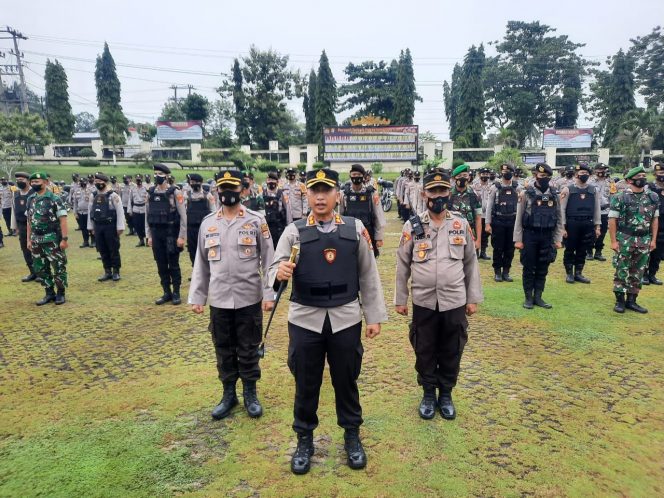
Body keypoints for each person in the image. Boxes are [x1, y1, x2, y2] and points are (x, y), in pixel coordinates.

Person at [268, 168, 387, 475]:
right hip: (305, 319)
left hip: (345, 318)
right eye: (314, 191)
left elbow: (368, 275)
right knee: (306, 382)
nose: (320, 197)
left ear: (337, 195)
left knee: (346, 380)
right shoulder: (293, 231)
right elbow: (273, 266)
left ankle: (351, 435)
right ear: (306, 195)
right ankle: (304, 439)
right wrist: (277, 273)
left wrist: (373, 316)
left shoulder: (354, 228)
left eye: (326, 190)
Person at [395, 171, 482, 421]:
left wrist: (472, 297)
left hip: (454, 300)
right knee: (424, 349)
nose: (438, 196)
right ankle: (428, 393)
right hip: (423, 301)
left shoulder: (460, 224)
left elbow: (470, 264)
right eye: (432, 191)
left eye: (442, 191)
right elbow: (402, 265)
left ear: (449, 193)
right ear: (424, 194)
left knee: (452, 349)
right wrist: (401, 299)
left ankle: (445, 393)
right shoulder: (412, 226)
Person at [189, 169, 275, 420]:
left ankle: (250, 393)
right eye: (223, 188)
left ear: (243, 190)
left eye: (232, 189)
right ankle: (229, 394)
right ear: (216, 191)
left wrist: (269, 294)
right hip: (219, 299)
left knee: (248, 348)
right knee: (223, 348)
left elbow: (269, 260)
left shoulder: (256, 220)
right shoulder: (208, 224)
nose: (228, 193)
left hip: (249, 297)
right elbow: (201, 264)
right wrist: (197, 297)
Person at [609, 166, 659, 313]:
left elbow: (655, 220)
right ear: (630, 180)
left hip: (644, 239)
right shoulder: (620, 197)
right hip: (625, 238)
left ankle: (632, 300)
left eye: (644, 176)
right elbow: (612, 220)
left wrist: (653, 240)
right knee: (622, 269)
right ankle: (620, 301)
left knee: (638, 271)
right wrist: (613, 241)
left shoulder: (652, 197)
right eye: (639, 177)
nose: (642, 179)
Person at [513, 163, 564, 309]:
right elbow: (519, 218)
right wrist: (518, 240)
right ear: (536, 176)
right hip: (530, 235)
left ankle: (538, 297)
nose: (544, 179)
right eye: (541, 176)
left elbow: (560, 218)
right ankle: (528, 298)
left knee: (543, 267)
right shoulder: (526, 193)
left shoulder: (555, 194)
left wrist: (558, 239)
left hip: (547, 236)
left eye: (547, 177)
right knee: (529, 267)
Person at [145, 164, 187, 305]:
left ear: (167, 176)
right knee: (161, 264)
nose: (157, 176)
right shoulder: (150, 192)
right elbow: (148, 216)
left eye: (160, 174)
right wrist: (149, 235)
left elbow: (183, 216)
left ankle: (176, 292)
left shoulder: (175, 192)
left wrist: (181, 236)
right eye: (155, 173)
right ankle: (166, 292)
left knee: (173, 264)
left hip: (171, 233)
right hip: (156, 233)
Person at [26, 171, 69, 305]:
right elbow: (29, 221)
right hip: (36, 239)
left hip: (52, 239)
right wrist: (28, 239)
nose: (34, 184)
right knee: (40, 268)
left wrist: (64, 239)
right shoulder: (30, 199)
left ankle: (61, 293)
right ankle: (49, 293)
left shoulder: (54, 199)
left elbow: (63, 220)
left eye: (37, 182)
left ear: (45, 182)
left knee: (58, 267)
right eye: (32, 182)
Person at [559, 163, 601, 284]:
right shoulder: (568, 189)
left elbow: (597, 209)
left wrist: (597, 226)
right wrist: (563, 227)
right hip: (572, 224)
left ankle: (578, 273)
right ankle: (569, 274)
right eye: (582, 173)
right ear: (577, 175)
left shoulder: (593, 190)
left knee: (583, 249)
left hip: (587, 223)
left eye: (587, 174)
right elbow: (562, 209)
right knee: (570, 249)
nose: (585, 175)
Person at [339, 164, 386, 258]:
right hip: (349, 232)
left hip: (368, 232)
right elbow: (339, 215)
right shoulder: (344, 194)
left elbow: (379, 216)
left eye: (359, 175)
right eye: (354, 174)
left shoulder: (371, 193)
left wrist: (379, 238)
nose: (356, 177)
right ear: (350, 175)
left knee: (369, 259)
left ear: (363, 176)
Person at [485, 164, 521, 282]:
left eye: (509, 171)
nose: (506, 173)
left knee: (510, 248)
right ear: (501, 172)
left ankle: (506, 271)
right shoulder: (495, 187)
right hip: (498, 222)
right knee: (498, 248)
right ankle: (497, 272)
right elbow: (489, 207)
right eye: (504, 171)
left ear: (512, 172)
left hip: (512, 222)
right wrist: (488, 223)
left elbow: (521, 207)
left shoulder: (517, 187)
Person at [88, 173, 125, 281]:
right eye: (96, 182)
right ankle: (107, 271)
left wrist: (120, 227)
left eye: (100, 182)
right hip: (98, 226)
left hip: (110, 226)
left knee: (113, 249)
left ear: (105, 182)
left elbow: (120, 212)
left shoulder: (113, 195)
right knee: (102, 249)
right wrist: (91, 227)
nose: (98, 184)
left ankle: (116, 271)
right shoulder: (93, 195)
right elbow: (91, 212)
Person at [9, 172, 36, 281]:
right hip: (22, 226)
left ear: (28, 181)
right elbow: (13, 210)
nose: (19, 181)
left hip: (35, 225)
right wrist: (14, 226)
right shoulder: (15, 194)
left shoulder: (34, 192)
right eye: (18, 180)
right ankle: (32, 272)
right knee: (25, 249)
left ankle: (41, 273)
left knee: (37, 250)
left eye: (22, 179)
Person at [450, 164, 483, 254]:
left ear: (469, 178)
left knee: (471, 264)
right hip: (451, 234)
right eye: (459, 176)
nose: (462, 178)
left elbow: (478, 219)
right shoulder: (448, 194)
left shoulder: (474, 195)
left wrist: (479, 240)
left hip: (470, 234)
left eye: (465, 175)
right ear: (454, 178)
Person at [185, 173, 216, 266]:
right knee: (192, 250)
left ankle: (207, 272)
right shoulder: (186, 195)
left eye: (194, 182)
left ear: (200, 183)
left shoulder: (208, 196)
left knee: (206, 250)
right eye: (191, 182)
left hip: (204, 228)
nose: (192, 184)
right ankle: (196, 271)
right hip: (191, 228)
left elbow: (213, 212)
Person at [643, 163, 664, 285]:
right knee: (646, 251)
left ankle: (652, 275)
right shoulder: (649, 187)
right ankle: (644, 274)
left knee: (658, 253)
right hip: (651, 223)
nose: (662, 175)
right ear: (655, 174)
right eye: (660, 173)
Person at [588, 163, 613, 261]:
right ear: (595, 170)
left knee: (602, 232)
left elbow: (612, 196)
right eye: (600, 169)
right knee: (591, 232)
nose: (602, 171)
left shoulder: (610, 182)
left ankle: (598, 252)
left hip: (605, 211)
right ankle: (589, 252)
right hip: (592, 210)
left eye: (604, 169)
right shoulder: (590, 181)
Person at [263, 171, 292, 248]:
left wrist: (289, 226)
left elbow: (288, 210)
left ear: (277, 182)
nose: (271, 182)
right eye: (269, 180)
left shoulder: (282, 193)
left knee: (280, 248)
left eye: (273, 180)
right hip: (266, 226)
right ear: (266, 181)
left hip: (279, 226)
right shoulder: (262, 194)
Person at [473, 167, 493, 260]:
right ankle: (476, 251)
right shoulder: (474, 186)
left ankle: (483, 252)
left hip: (487, 214)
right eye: (483, 174)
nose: (485, 176)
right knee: (477, 233)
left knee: (485, 234)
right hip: (477, 213)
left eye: (486, 174)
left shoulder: (492, 186)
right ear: (479, 175)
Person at [72, 176, 95, 248]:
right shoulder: (77, 191)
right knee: (83, 228)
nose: (82, 183)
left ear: (86, 182)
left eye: (84, 182)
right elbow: (75, 203)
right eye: (81, 182)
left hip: (89, 212)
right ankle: (85, 241)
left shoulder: (91, 190)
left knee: (90, 227)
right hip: (80, 212)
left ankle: (93, 241)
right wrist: (75, 212)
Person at [128, 174, 148, 247]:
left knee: (145, 225)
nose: (138, 181)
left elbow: (148, 200)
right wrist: (129, 210)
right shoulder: (132, 189)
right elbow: (130, 200)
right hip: (136, 209)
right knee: (137, 225)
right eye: (137, 179)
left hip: (143, 209)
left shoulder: (145, 188)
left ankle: (147, 240)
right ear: (135, 180)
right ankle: (141, 240)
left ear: (142, 180)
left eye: (139, 179)